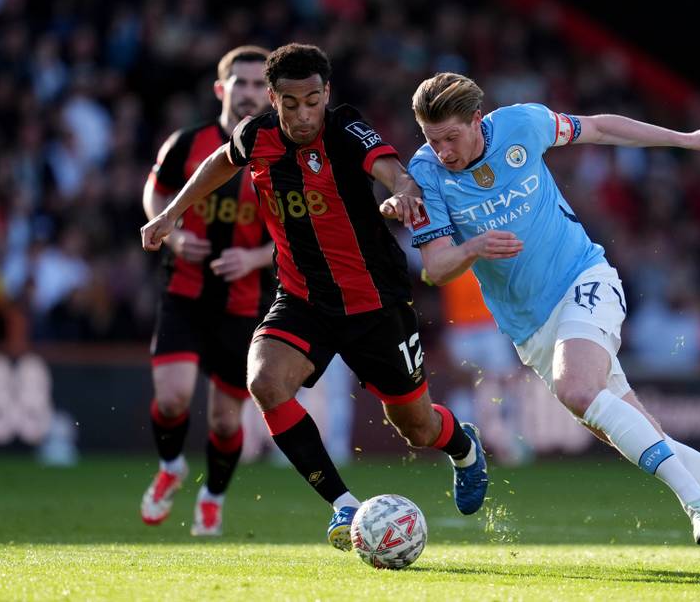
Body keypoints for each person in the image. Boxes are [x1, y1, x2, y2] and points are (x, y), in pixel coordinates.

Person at [383, 72, 700, 574]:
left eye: (451, 137)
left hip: (584, 278)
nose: (443, 150)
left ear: (476, 119)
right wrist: (473, 247)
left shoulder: (521, 124)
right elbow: (436, 267)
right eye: (432, 139)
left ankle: (696, 503)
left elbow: (599, 128)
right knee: (647, 433)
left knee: (576, 389)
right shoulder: (425, 174)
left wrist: (685, 139)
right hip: (530, 328)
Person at [140, 44, 488, 551]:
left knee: (416, 426)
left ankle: (462, 444)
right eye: (291, 103)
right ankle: (344, 507)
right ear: (274, 100)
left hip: (375, 303)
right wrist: (171, 213)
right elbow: (221, 160)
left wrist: (406, 191)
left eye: (313, 100)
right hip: (303, 299)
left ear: (327, 93)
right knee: (264, 380)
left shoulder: (344, 127)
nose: (304, 114)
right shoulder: (256, 135)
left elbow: (390, 167)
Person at [140, 46, 276, 536]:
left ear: (271, 93)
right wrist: (173, 233)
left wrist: (255, 258)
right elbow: (155, 192)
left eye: (260, 85)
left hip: (243, 302)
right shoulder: (187, 143)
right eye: (240, 83)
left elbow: (296, 238)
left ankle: (212, 497)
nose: (250, 93)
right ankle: (171, 466)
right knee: (173, 398)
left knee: (224, 421)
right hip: (184, 291)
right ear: (222, 90)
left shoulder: (281, 154)